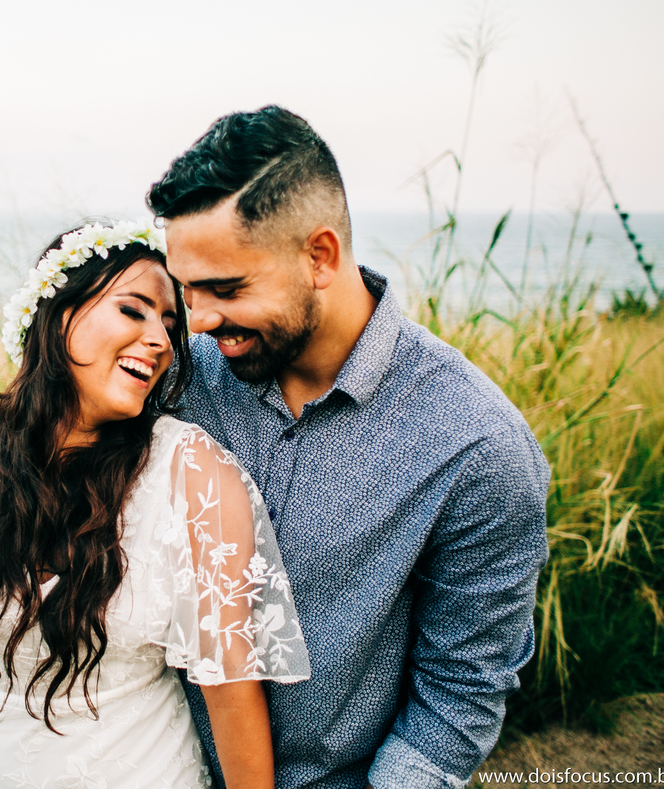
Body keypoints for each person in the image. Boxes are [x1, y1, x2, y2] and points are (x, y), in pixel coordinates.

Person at [144, 106, 551, 789]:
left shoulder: (478, 447)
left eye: (226, 289)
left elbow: (459, 695)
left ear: (321, 255)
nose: (201, 320)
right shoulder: (176, 376)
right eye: (186, 290)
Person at [0, 220, 311, 789]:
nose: (160, 341)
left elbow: (229, 691)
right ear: (59, 313)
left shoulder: (194, 474)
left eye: (169, 325)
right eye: (134, 310)